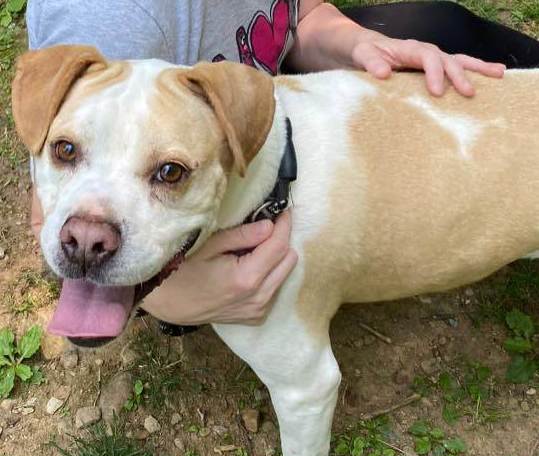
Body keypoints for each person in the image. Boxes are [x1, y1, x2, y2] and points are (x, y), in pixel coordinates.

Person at [27, 0, 539, 327]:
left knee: (442, 25)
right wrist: (170, 299)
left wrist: (359, 45)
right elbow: (85, 176)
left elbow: (298, 13)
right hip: (205, 141)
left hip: (243, 99)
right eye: (66, 153)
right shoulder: (108, 15)